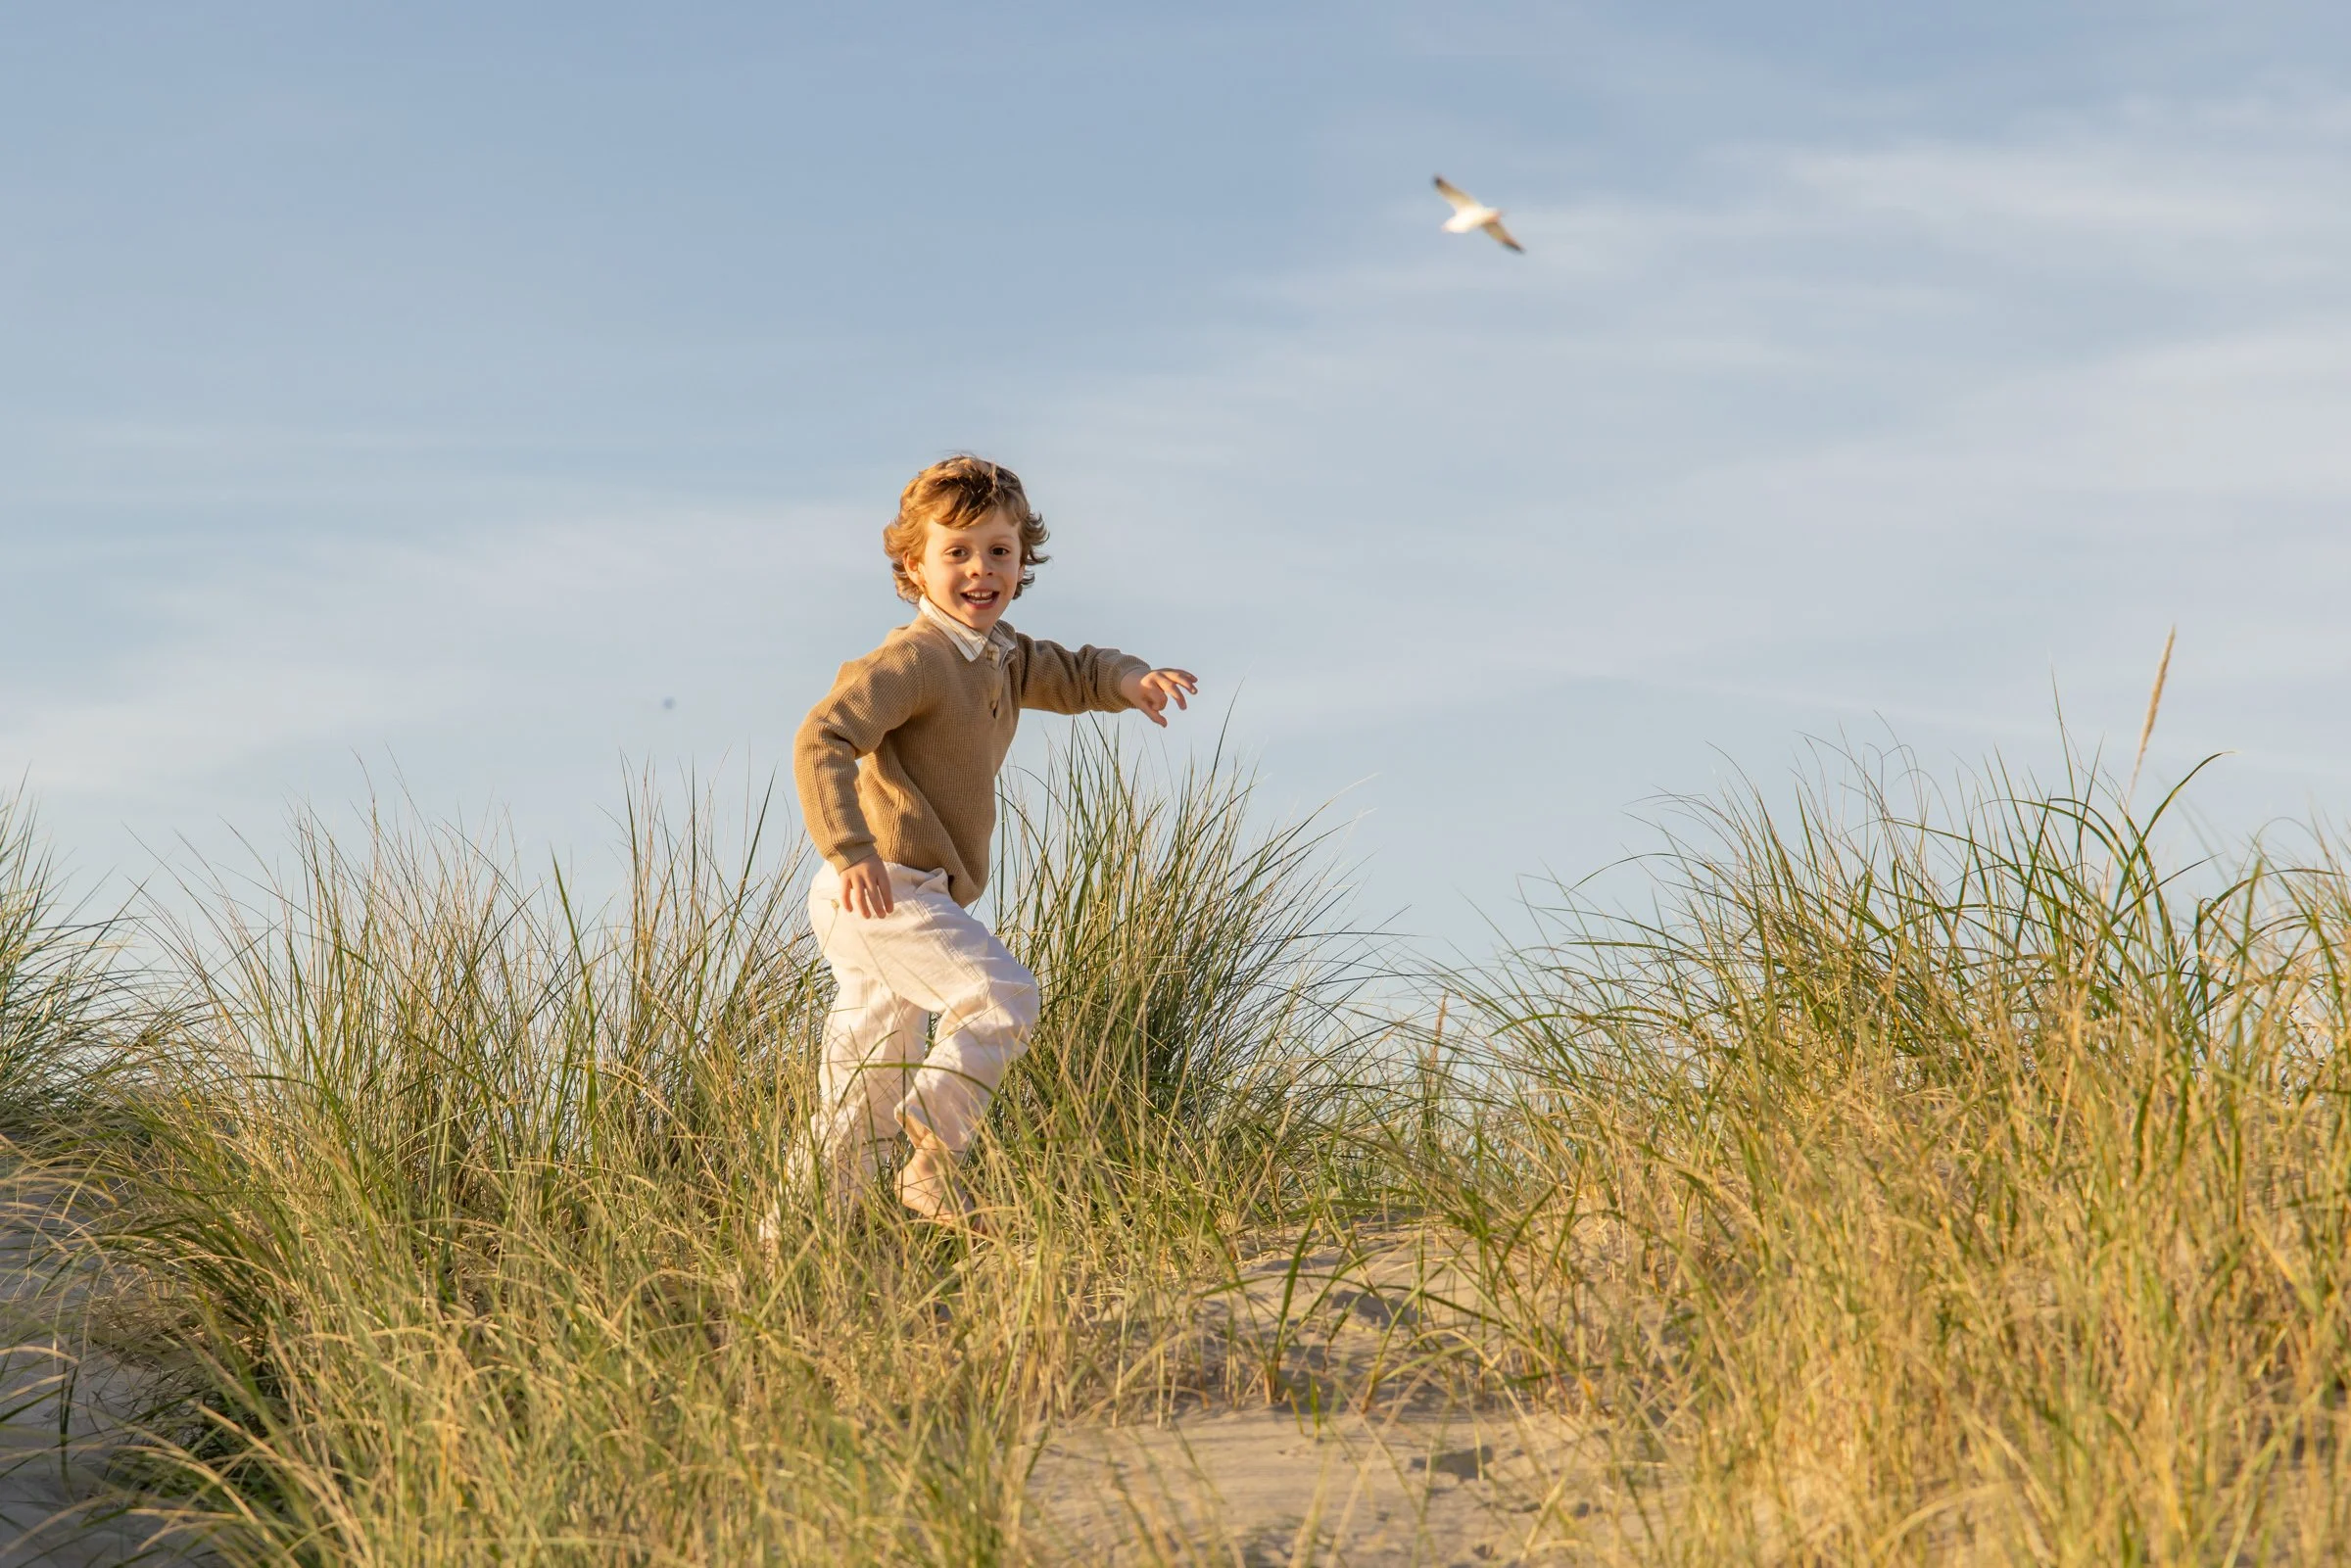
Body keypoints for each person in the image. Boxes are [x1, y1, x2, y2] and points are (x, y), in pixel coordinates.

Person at [791, 454, 1197, 1226]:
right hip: (878, 888)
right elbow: (823, 736)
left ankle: (794, 1244)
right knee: (1004, 993)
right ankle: (934, 1154)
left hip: (912, 894)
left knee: (868, 1087)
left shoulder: (1002, 656)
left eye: (1000, 551)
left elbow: (1076, 673)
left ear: (1022, 559)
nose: (981, 570)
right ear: (915, 563)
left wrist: (1133, 679)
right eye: (958, 552)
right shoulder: (914, 659)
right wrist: (850, 849)